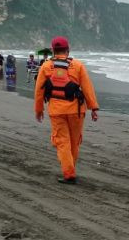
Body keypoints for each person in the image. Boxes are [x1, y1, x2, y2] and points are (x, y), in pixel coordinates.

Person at [34, 37, 99, 184]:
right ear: (68, 50)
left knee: (62, 142)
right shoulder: (78, 65)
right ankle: (70, 170)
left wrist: (39, 109)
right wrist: (93, 108)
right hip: (76, 111)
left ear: (53, 50)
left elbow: (39, 90)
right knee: (74, 142)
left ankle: (69, 173)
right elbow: (87, 88)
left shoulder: (46, 66)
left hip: (56, 111)